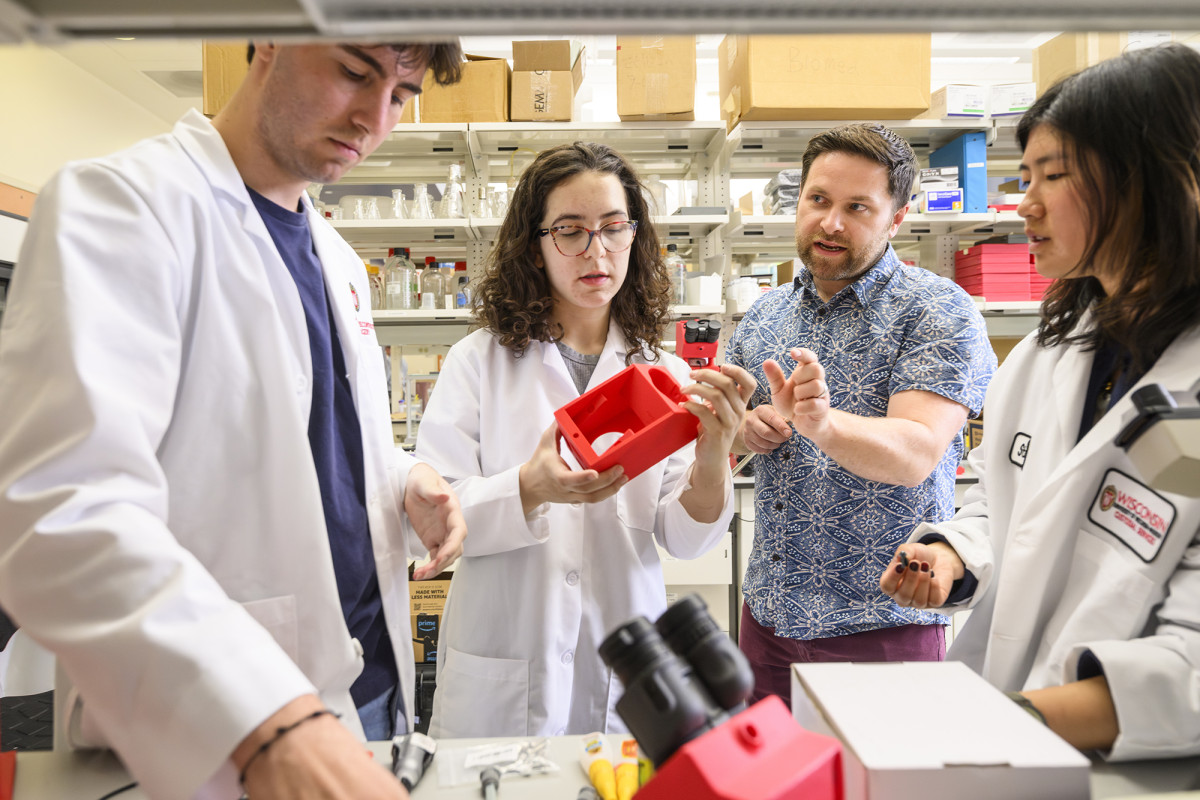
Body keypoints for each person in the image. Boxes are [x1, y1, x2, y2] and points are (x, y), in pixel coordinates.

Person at [0, 41, 466, 800]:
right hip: (210, 720)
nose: (373, 119)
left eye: (402, 94)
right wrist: (268, 721)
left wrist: (401, 477)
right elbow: (62, 511)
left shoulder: (340, 262)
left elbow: (303, 445)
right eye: (354, 72)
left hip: (367, 691)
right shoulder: (123, 206)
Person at [880, 43, 1200, 760]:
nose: (1025, 203)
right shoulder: (1045, 354)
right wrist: (951, 554)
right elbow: (1004, 502)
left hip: (1130, 761)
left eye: (1054, 176)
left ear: (1152, 181)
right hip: (1009, 728)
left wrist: (992, 726)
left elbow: (1191, 671)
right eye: (1025, 176)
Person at [414, 142, 755, 738]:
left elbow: (685, 537)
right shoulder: (478, 363)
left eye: (613, 228)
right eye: (570, 231)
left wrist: (711, 456)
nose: (596, 251)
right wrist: (529, 487)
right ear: (534, 244)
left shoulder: (666, 374)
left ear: (634, 236)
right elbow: (434, 511)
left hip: (626, 664)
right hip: (504, 658)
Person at [727, 123, 996, 704]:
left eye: (857, 207)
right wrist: (746, 429)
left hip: (884, 624)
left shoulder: (937, 308)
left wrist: (822, 424)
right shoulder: (764, 315)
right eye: (818, 200)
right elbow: (732, 434)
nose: (830, 222)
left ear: (897, 217)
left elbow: (917, 451)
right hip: (768, 619)